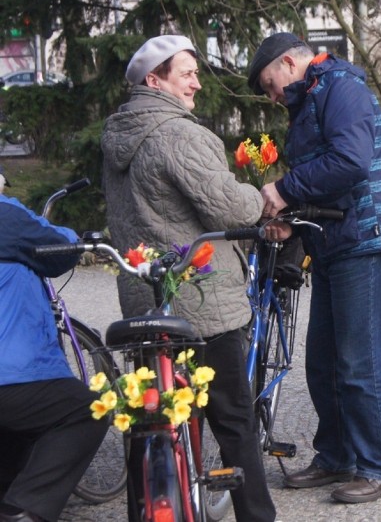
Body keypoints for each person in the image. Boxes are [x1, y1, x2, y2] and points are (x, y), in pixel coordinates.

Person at [100, 35, 277, 522]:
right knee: (234, 421)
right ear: (154, 81)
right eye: (187, 73)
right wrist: (256, 193)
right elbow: (232, 206)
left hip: (145, 304)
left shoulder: (117, 136)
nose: (197, 82)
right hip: (201, 303)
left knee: (159, 415)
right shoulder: (178, 134)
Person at [247, 33, 381, 503]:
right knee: (323, 362)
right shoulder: (309, 101)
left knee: (359, 364)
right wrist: (292, 224)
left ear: (288, 62)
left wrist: (282, 190)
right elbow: (322, 189)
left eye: (270, 84)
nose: (273, 95)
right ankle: (337, 456)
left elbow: (350, 162)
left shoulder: (341, 88)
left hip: (367, 239)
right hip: (333, 243)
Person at [0, 168, 109, 522]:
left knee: (24, 418)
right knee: (87, 410)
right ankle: (29, 510)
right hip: (9, 377)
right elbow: (62, 250)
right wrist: (72, 235)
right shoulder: (7, 215)